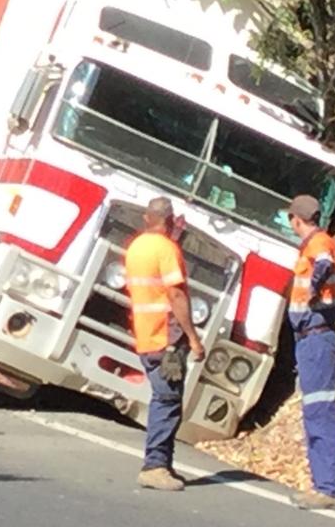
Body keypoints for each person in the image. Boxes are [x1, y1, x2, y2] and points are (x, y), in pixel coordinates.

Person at [125, 196, 205, 491]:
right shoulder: (166, 249)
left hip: (147, 335)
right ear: (170, 221)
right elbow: (177, 295)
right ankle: (155, 465)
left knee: (165, 398)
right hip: (166, 338)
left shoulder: (136, 247)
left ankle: (164, 464)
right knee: (168, 400)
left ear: (147, 217)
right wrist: (194, 338)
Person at [285, 194, 335, 510]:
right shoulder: (316, 244)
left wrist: (312, 289)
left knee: (320, 412)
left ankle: (329, 489)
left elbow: (323, 263)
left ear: (294, 219)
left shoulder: (319, 243)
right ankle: (323, 485)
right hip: (312, 340)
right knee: (315, 412)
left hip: (318, 338)